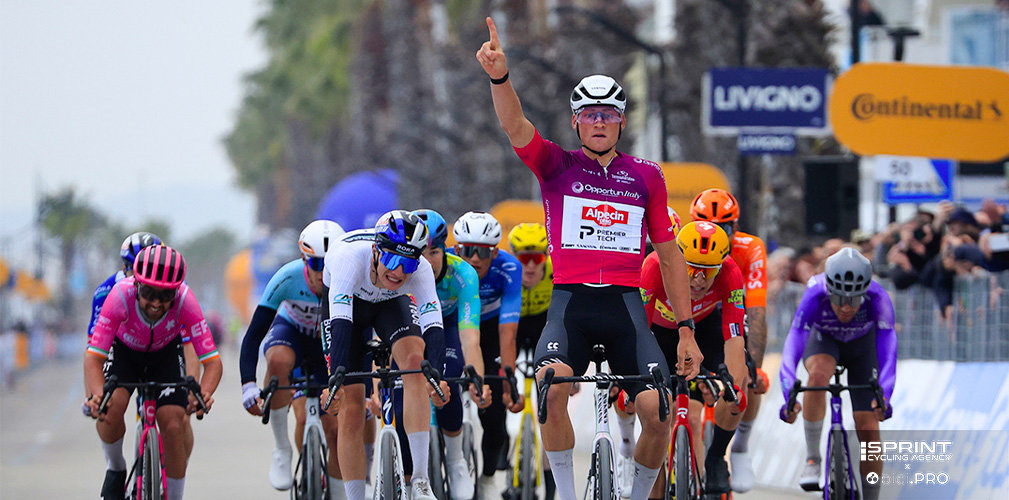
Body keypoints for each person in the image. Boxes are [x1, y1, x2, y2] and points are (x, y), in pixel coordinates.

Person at [477, 18, 700, 500]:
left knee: (659, 414)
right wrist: (500, 78)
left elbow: (669, 255)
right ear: (576, 120)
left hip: (625, 309)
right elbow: (516, 126)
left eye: (609, 113)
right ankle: (566, 494)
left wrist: (686, 329)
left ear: (622, 120)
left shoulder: (646, 176)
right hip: (570, 307)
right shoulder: (557, 165)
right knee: (551, 390)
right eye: (590, 114)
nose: (599, 121)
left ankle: (637, 495)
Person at [322, 210, 449, 500]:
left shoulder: (421, 270)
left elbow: (433, 324)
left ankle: (419, 479)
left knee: (417, 364)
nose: (399, 273)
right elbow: (341, 325)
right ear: (376, 251)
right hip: (347, 308)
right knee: (351, 408)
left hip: (390, 304)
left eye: (408, 263)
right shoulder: (348, 258)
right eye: (392, 260)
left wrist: (437, 377)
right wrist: (335, 382)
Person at [84, 245, 222, 500]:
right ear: (136, 285)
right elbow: (94, 357)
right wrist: (96, 396)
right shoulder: (119, 295)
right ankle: (115, 468)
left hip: (164, 355)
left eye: (166, 294)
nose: (157, 302)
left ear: (176, 291)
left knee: (173, 422)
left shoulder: (185, 299)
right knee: (111, 407)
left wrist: (204, 393)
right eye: (148, 292)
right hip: (125, 353)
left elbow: (212, 362)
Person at [639, 221, 749, 495]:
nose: (699, 279)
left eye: (709, 271)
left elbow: (734, 336)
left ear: (721, 266)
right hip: (656, 336)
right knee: (651, 412)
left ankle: (715, 457)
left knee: (739, 388)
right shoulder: (654, 266)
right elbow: (638, 331)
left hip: (704, 332)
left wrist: (734, 389)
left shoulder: (731, 273)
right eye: (691, 269)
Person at [390, 209, 492, 500]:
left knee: (447, 380)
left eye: (434, 252)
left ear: (445, 249)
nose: (426, 261)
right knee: (401, 397)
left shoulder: (463, 274)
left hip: (447, 327)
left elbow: (470, 337)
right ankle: (408, 478)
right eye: (420, 253)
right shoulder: (401, 273)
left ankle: (456, 458)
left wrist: (477, 379)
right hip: (411, 326)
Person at [779, 248, 896, 500]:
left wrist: (884, 395)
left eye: (854, 300)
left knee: (869, 429)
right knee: (818, 376)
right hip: (824, 341)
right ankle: (813, 456)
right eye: (839, 297)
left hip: (862, 347)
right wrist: (788, 393)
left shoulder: (878, 297)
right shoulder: (814, 291)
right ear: (829, 289)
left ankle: (872, 496)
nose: (846, 307)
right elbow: (793, 343)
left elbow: (888, 349)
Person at [238, 219, 345, 493]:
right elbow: (254, 335)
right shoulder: (287, 277)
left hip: (329, 345)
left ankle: (335, 489)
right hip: (292, 334)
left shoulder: (347, 279)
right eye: (316, 265)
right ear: (303, 260)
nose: (323, 273)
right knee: (277, 361)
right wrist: (248, 383)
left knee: (333, 430)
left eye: (330, 264)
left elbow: (363, 333)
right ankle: (282, 450)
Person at [688, 188, 769, 493]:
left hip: (731, 313)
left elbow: (756, 312)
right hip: (693, 319)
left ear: (735, 228)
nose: (716, 233)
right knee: (686, 413)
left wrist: (754, 367)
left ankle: (740, 447)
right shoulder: (681, 244)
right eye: (708, 224)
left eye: (724, 228)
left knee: (747, 374)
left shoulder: (750, 249)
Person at [448, 210, 525, 497]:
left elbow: (508, 333)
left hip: (492, 332)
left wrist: (508, 383)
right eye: (468, 251)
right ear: (456, 250)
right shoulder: (442, 261)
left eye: (483, 252)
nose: (475, 258)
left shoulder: (509, 268)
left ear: (495, 252)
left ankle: (489, 477)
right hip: (454, 328)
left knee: (494, 418)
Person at [507, 221, 561, 500]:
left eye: (537, 258)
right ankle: (503, 453)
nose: (530, 266)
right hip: (513, 326)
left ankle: (551, 485)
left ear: (546, 258)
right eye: (523, 258)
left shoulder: (557, 272)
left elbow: (565, 321)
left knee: (550, 404)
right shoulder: (505, 271)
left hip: (543, 325)